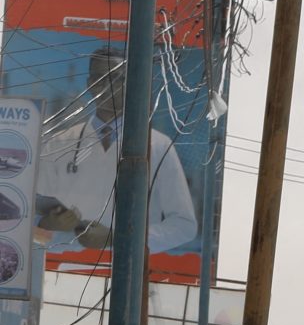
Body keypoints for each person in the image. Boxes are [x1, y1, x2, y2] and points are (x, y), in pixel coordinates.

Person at [33, 49, 199, 255]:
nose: (106, 87)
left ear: (131, 84)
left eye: (116, 79)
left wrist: (115, 238)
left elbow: (184, 226)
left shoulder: (158, 146)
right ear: (89, 84)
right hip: (61, 267)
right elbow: (26, 214)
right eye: (99, 79)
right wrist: (44, 222)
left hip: (125, 267)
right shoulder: (59, 143)